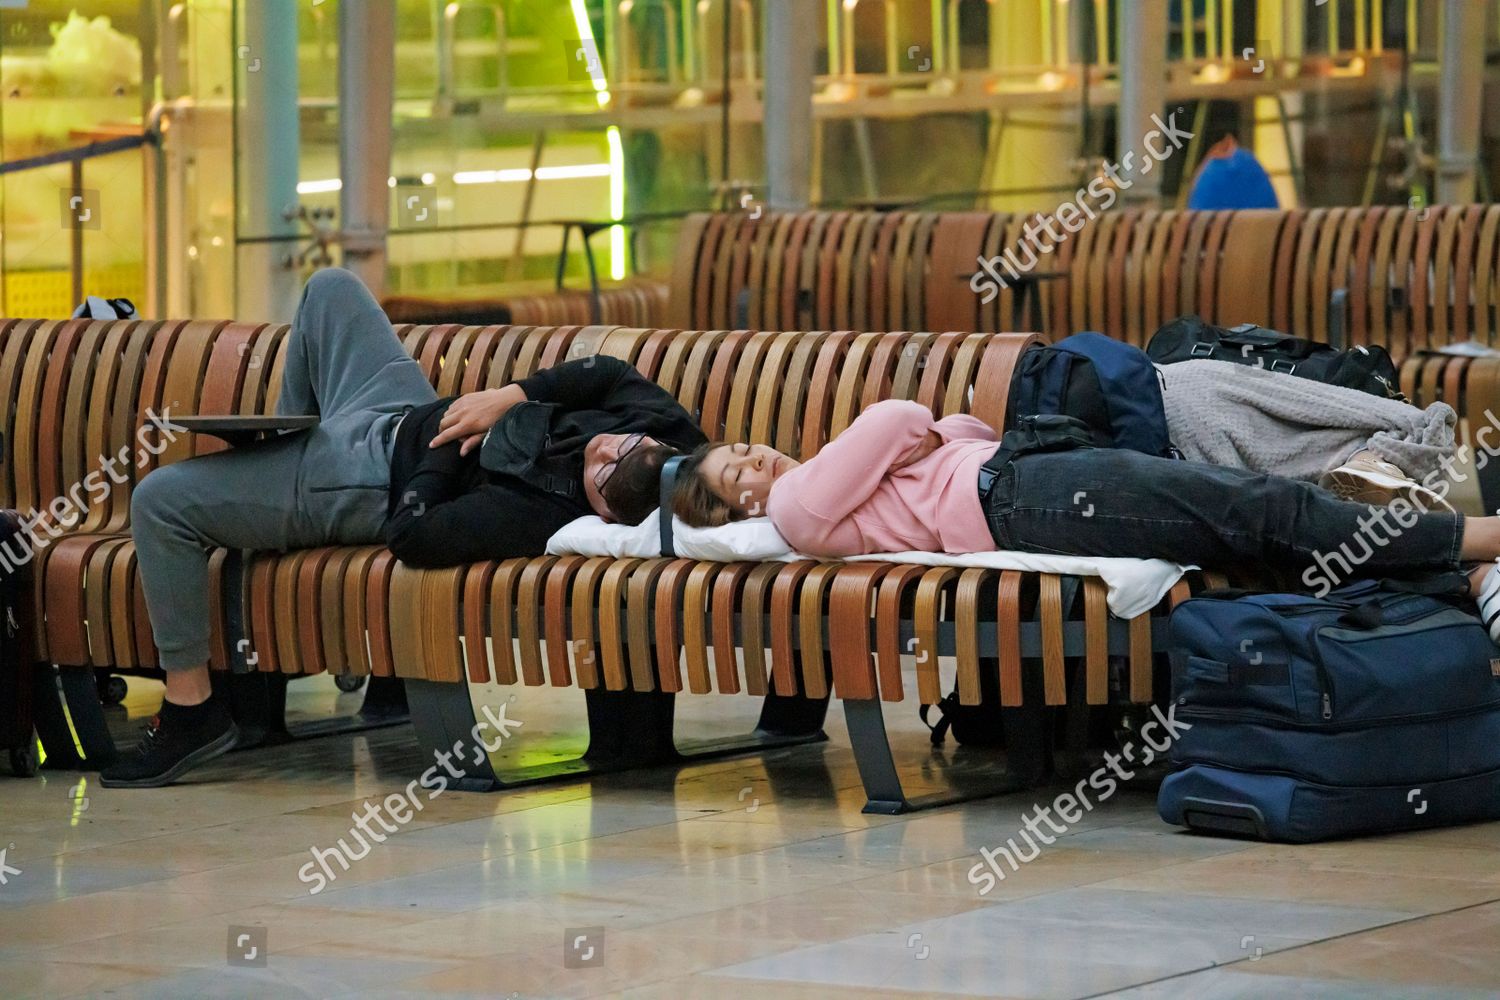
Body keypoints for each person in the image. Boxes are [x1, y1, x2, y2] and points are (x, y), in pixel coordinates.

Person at [101, 268, 704, 789]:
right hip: (394, 408)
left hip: (367, 478)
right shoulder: (667, 439)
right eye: (624, 444)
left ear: (602, 512)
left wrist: (444, 442)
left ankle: (190, 709)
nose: (602, 449)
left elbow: (417, 537)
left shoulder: (544, 507)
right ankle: (286, 447)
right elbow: (604, 369)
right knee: (329, 288)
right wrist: (506, 397)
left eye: (604, 472)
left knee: (159, 502)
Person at [670, 398, 1500, 641]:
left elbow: (962, 433)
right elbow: (902, 415)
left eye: (744, 447)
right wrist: (907, 435)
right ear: (735, 507)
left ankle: (1456, 578)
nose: (754, 462)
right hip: (1019, 499)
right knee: (1251, 508)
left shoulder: (823, 481)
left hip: (1019, 479)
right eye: (733, 472)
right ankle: (1477, 543)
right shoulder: (795, 501)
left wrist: (917, 439)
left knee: (1243, 517)